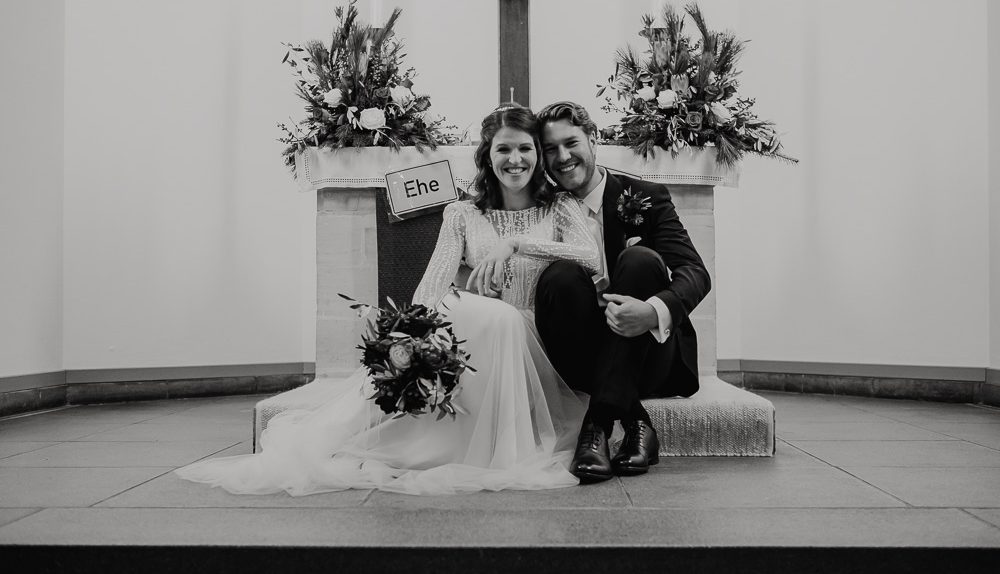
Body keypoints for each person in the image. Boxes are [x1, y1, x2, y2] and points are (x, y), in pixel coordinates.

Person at [175, 105, 600, 495]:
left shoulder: (559, 206)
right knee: (472, 313)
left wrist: (517, 244)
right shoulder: (462, 213)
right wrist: (417, 340)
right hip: (484, 336)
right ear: (486, 155)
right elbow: (431, 288)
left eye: (525, 148)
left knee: (507, 320)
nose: (515, 159)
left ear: (538, 156)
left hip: (537, 340)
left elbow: (590, 256)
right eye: (503, 148)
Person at [533, 101, 711, 483]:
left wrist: (653, 311)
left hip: (648, 353)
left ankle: (596, 423)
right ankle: (636, 423)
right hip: (576, 353)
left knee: (640, 260)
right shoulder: (539, 207)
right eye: (550, 149)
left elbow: (695, 273)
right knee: (561, 274)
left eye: (571, 143)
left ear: (594, 139)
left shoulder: (644, 196)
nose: (562, 157)